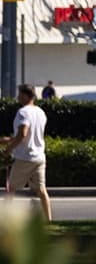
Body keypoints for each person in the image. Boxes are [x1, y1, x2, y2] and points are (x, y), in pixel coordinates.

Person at [7, 83, 49, 222]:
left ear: (25, 96)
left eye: (19, 94)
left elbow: (23, 133)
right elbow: (29, 134)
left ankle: (6, 220)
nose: (18, 97)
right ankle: (49, 219)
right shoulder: (41, 112)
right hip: (39, 157)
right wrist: (8, 140)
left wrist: (9, 148)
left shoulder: (23, 112)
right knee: (42, 191)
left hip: (25, 157)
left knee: (11, 188)